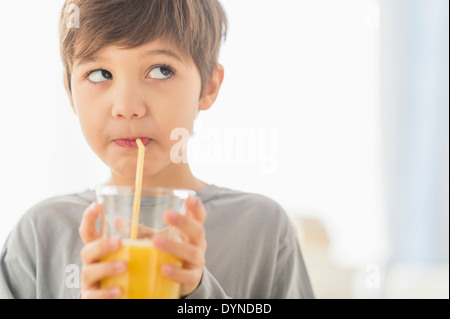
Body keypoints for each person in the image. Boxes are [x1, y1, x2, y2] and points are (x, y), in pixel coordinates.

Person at [0, 0, 314, 299]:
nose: (126, 107)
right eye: (99, 74)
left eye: (161, 71)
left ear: (208, 87)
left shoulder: (261, 229)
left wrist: (196, 292)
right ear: (70, 92)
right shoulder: (40, 234)